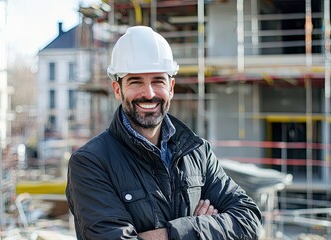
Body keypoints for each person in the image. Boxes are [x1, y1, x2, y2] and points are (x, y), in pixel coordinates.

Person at [66, 25, 262, 240]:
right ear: (117, 90)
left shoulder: (197, 152)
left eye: (158, 81)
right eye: (135, 81)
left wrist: (181, 231)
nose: (148, 93)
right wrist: (207, 230)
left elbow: (249, 219)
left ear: (171, 87)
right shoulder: (91, 162)